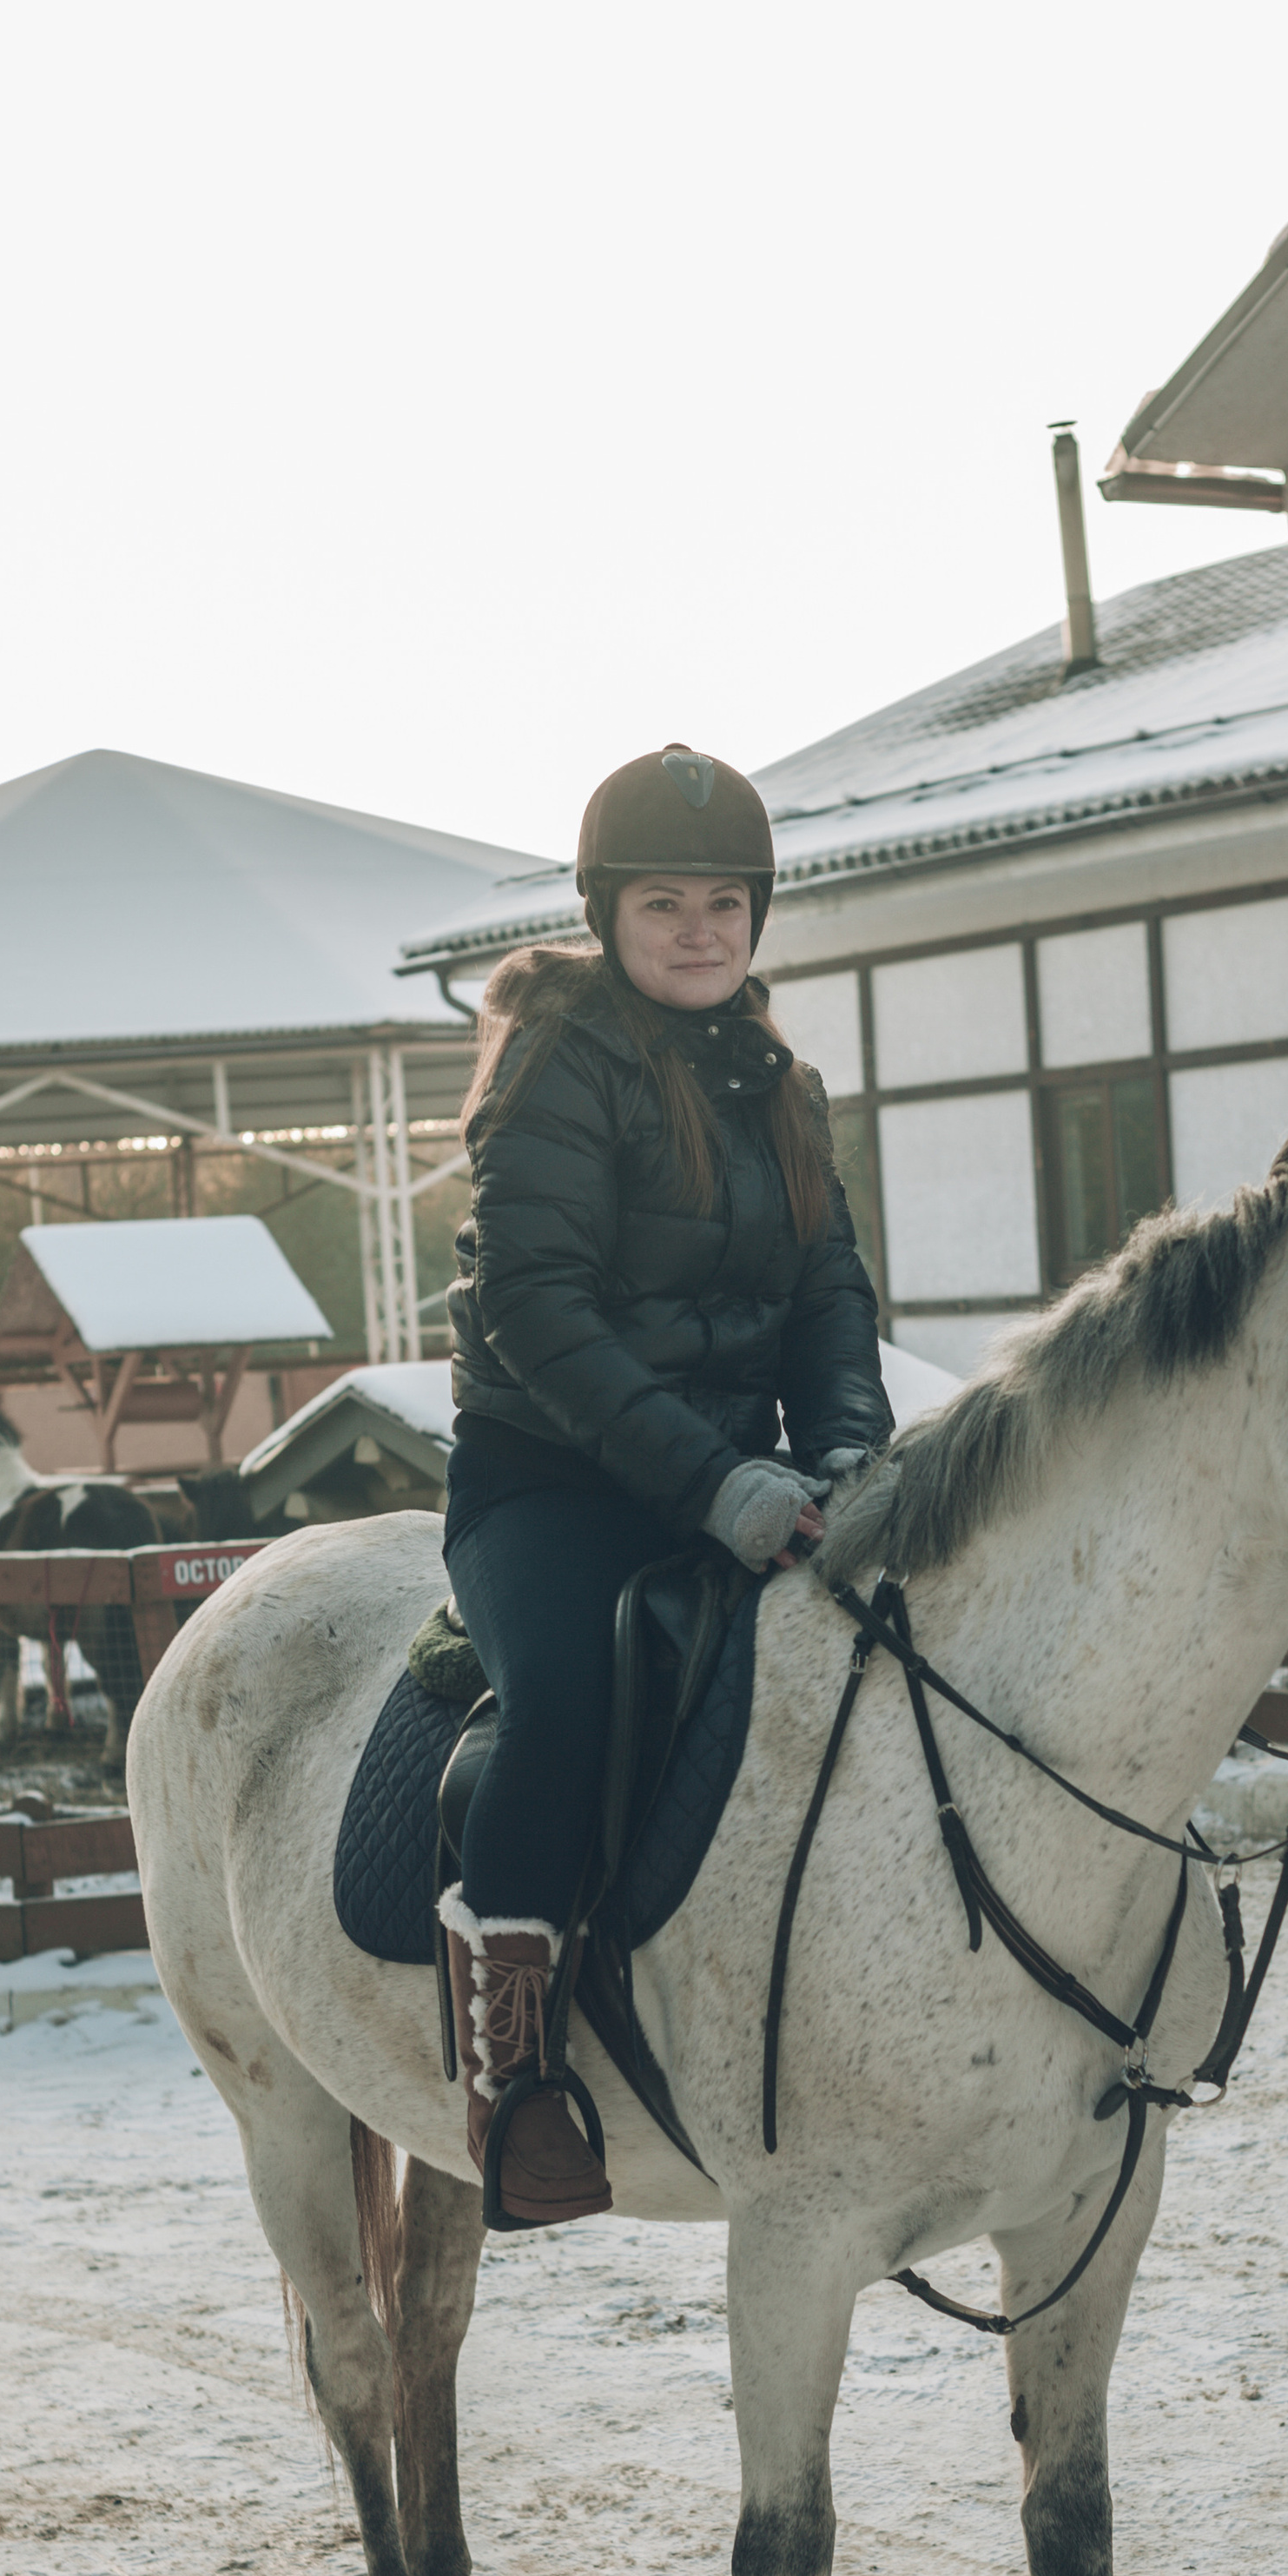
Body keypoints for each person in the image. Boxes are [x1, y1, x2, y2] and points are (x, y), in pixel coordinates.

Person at [439, 743, 893, 2227]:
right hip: (551, 1481)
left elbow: (830, 1288)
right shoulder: (562, 1065)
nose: (698, 930)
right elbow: (538, 1310)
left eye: (723, 903)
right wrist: (713, 1485)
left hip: (742, 1472)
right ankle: (511, 2064)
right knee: (567, 1700)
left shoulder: (780, 1082)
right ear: (607, 914)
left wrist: (842, 1444)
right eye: (662, 903)